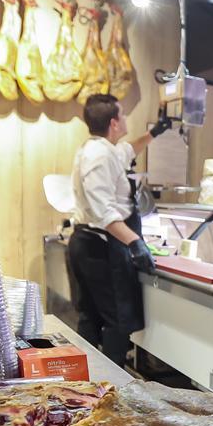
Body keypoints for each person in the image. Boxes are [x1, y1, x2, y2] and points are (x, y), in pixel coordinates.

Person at [67, 94, 170, 367]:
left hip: (91, 244)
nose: (126, 120)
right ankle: (110, 390)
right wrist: (135, 242)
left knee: (91, 317)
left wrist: (154, 133)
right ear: (114, 123)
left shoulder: (103, 149)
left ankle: (86, 385)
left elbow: (128, 150)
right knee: (116, 322)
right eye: (123, 115)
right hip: (98, 247)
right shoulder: (99, 156)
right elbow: (104, 212)